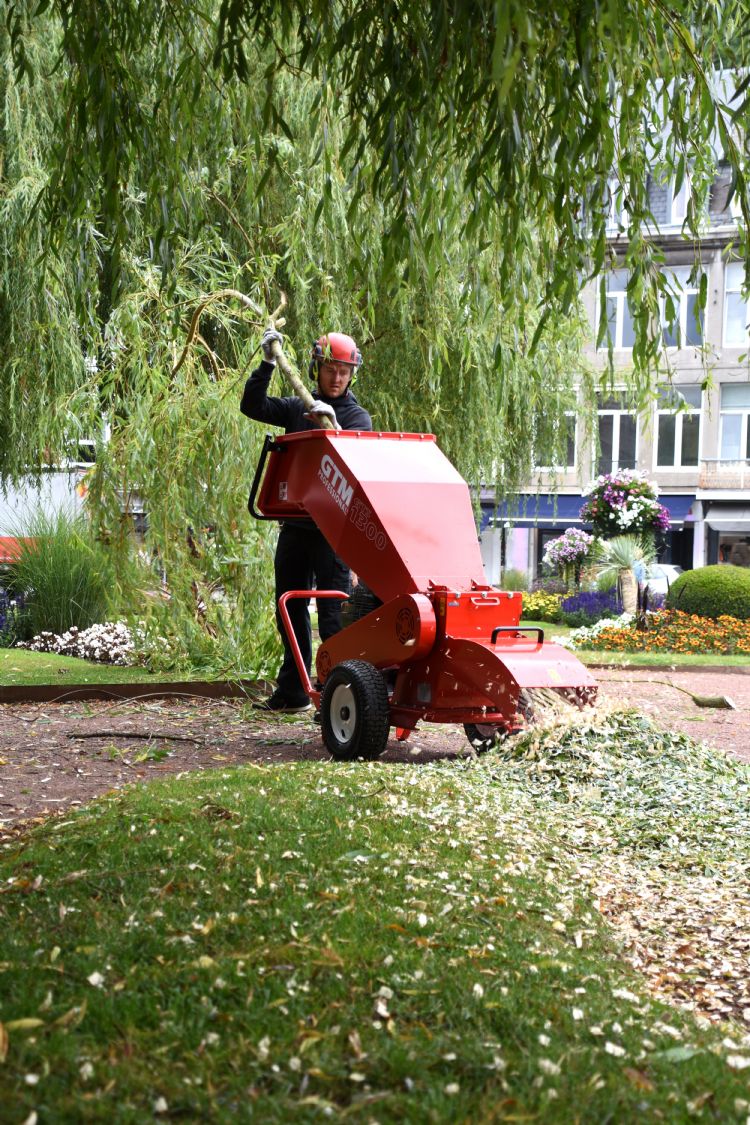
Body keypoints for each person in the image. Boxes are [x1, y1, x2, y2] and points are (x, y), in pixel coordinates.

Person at [241, 328, 373, 711]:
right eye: (330, 368)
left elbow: (359, 464)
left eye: (344, 371)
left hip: (333, 533)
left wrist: (335, 427)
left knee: (333, 616)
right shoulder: (296, 407)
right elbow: (253, 406)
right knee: (288, 607)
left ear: (351, 375)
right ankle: (294, 692)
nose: (336, 377)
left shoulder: (357, 418)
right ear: (317, 368)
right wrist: (267, 363)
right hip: (296, 526)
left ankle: (338, 700)